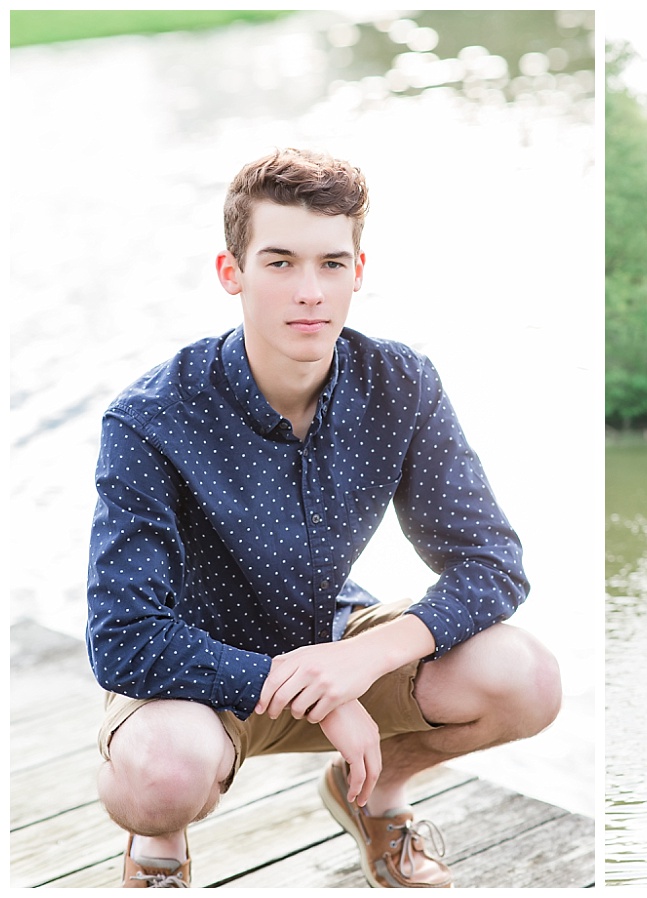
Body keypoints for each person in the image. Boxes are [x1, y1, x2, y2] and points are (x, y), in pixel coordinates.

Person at [86, 148, 562, 888]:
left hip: (336, 637)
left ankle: (376, 796)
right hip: (193, 681)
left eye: (331, 265)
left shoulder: (400, 382)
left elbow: (492, 563)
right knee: (160, 773)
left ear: (358, 272)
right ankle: (160, 852)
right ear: (231, 273)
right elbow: (123, 640)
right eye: (279, 263)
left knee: (525, 676)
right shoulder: (150, 420)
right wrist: (312, 691)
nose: (310, 292)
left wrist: (361, 662)